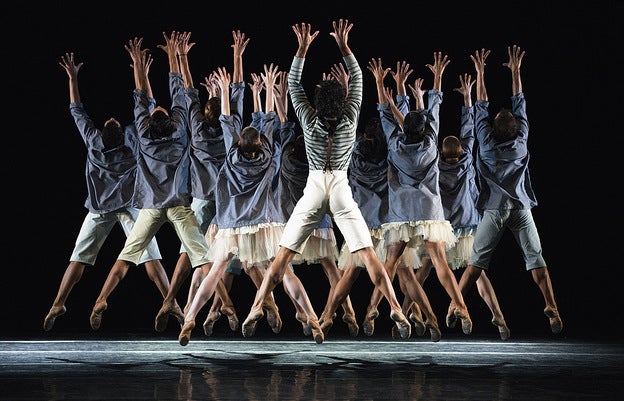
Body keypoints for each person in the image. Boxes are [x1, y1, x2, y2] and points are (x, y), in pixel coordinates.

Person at [241, 19, 412, 343]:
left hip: (315, 186)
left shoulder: (308, 117)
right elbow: (358, 78)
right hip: (341, 188)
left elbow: (293, 83)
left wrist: (302, 48)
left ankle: (255, 309)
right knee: (369, 256)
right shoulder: (350, 118)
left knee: (282, 256)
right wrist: (345, 47)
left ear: (318, 102)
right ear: (344, 98)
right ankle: (396, 310)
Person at [178, 64, 324, 346]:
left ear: (239, 143)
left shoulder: (232, 156)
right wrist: (268, 88)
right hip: (263, 222)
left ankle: (189, 320)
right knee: (285, 273)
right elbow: (269, 117)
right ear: (259, 142)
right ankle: (314, 320)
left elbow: (226, 117)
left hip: (233, 223)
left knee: (215, 272)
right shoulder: (268, 155)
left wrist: (221, 91)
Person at [43, 51, 178, 331]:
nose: (112, 119)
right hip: (130, 207)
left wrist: (73, 77)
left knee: (78, 258)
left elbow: (76, 109)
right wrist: (140, 69)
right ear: (121, 131)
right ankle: (171, 301)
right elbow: (146, 104)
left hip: (100, 210)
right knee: (151, 258)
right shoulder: (132, 141)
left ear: (102, 131)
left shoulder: (94, 142)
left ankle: (59, 302)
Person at [87, 31, 212, 331]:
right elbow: (178, 92)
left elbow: (141, 99)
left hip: (151, 207)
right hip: (179, 206)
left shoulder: (143, 136)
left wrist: (138, 66)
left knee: (128, 255)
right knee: (205, 260)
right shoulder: (180, 131)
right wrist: (174, 55)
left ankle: (101, 299)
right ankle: (207, 309)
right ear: (169, 119)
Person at [451, 45, 563, 335]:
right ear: (515, 128)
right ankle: (550, 304)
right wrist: (515, 71)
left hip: (494, 209)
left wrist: (480, 72)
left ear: (494, 127)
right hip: (521, 208)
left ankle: (456, 304)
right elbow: (519, 101)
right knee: (536, 259)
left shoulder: (486, 144)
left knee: (476, 262)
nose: (503, 110)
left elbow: (480, 108)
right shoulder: (522, 140)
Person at [154, 30, 246, 334]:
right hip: (227, 201)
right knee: (226, 257)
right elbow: (237, 93)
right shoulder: (230, 131)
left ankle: (178, 302)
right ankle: (218, 308)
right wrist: (236, 55)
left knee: (190, 251)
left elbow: (188, 93)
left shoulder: (196, 128)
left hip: (202, 198)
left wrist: (181, 57)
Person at [411, 72, 510, 340]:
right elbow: (469, 129)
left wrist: (426, 96)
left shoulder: (434, 163)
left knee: (425, 268)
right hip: (466, 223)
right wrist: (467, 96)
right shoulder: (466, 160)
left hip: (444, 225)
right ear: (461, 152)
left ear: (441, 153)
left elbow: (429, 130)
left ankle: (415, 312)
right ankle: (498, 317)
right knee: (478, 274)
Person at [272, 69, 359, 337]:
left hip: (295, 216)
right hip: (321, 219)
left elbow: (285, 126)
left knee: (284, 268)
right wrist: (343, 90)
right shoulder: (322, 151)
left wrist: (278, 99)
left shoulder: (288, 160)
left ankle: (303, 314)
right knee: (330, 267)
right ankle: (348, 313)